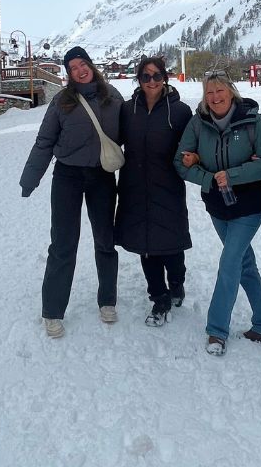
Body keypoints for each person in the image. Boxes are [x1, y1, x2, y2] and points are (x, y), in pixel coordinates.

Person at [19, 46, 124, 339]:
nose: (80, 69)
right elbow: (45, 141)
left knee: (105, 240)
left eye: (83, 63)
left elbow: (132, 133)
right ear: (68, 74)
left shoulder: (113, 96)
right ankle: (52, 311)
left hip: (102, 176)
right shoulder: (62, 101)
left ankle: (107, 301)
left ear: (90, 65)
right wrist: (31, 178)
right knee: (63, 244)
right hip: (67, 176)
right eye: (73, 67)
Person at [174, 71, 261, 356]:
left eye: (220, 91)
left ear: (231, 92)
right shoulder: (198, 123)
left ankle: (217, 330)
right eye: (210, 92)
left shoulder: (253, 122)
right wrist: (208, 178)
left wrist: (233, 175)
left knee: (229, 263)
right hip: (217, 206)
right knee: (244, 264)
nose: (215, 97)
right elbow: (180, 162)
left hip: (249, 206)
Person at [115, 56, 193, 326]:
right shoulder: (127, 110)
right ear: (139, 79)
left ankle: (177, 282)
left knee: (170, 244)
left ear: (165, 78)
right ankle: (159, 298)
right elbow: (112, 141)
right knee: (145, 246)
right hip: (134, 186)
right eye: (146, 76)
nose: (151, 82)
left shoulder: (181, 111)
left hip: (168, 185)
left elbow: (194, 146)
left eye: (156, 76)